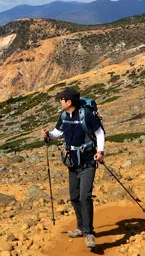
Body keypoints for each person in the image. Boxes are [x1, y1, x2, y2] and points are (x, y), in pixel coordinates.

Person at [44, 87, 105, 248]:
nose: (60, 101)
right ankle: (80, 227)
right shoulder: (64, 116)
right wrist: (48, 135)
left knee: (85, 196)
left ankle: (88, 233)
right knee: (74, 196)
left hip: (87, 161)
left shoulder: (87, 115)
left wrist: (100, 151)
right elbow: (57, 132)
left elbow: (99, 133)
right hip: (72, 163)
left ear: (69, 101)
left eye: (62, 99)